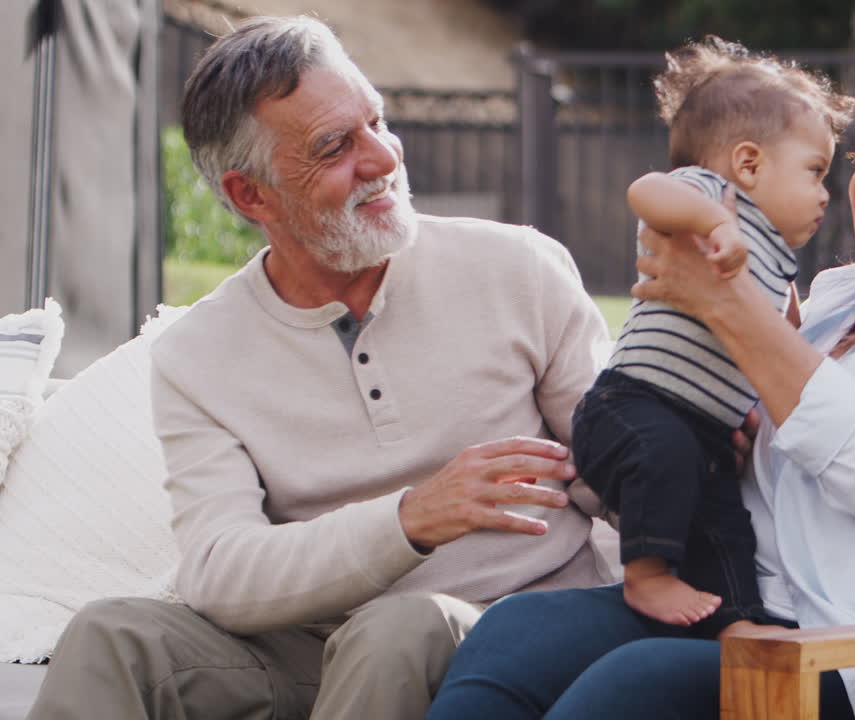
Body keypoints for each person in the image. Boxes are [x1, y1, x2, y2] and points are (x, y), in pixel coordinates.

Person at [425, 31, 855, 720]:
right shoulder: (836, 305)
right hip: (750, 618)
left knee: (639, 685)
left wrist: (726, 303)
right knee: (514, 636)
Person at [25, 15, 616, 720]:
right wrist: (408, 519)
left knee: (393, 632)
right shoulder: (198, 353)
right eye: (335, 146)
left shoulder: (519, 268)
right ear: (251, 196)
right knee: (108, 637)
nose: (381, 159)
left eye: (376, 121)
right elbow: (219, 570)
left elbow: (620, 465)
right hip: (310, 651)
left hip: (514, 627)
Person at [572, 37, 855, 634]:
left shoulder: (779, 261)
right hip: (632, 406)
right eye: (816, 171)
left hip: (702, 434)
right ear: (749, 164)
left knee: (726, 522)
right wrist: (714, 221)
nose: (827, 194)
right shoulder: (711, 195)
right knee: (666, 455)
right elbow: (644, 190)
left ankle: (737, 621)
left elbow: (785, 347)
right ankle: (645, 576)